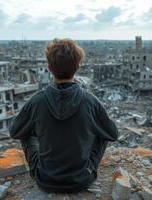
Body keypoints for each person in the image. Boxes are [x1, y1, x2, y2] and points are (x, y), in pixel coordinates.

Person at [10, 38, 118, 193]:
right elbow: (112, 134)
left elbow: (15, 132)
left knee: (25, 132)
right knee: (103, 131)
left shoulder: (37, 101)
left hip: (44, 179)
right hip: (83, 179)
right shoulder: (90, 101)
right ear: (78, 67)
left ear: (49, 68)